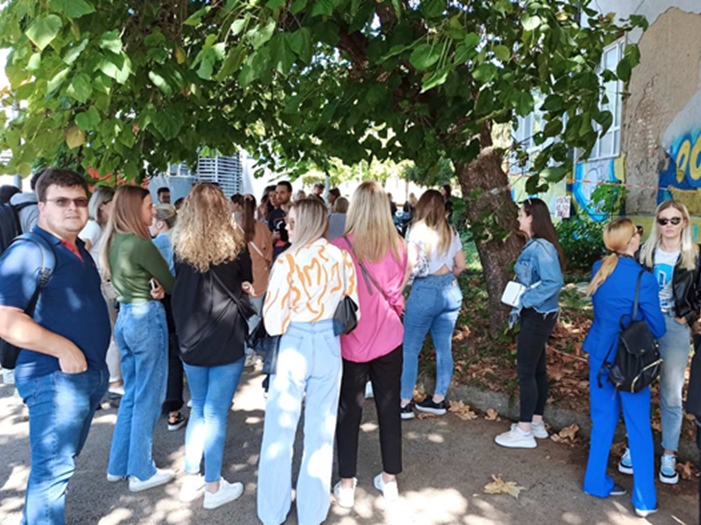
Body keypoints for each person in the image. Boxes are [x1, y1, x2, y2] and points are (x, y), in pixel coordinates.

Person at [0, 168, 111, 524]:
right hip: (53, 378)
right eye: (61, 201)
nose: (73, 209)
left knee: (58, 470)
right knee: (52, 476)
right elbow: (6, 319)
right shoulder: (29, 251)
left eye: (80, 201)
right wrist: (63, 348)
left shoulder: (78, 249)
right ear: (41, 206)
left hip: (85, 376)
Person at [257, 198, 359, 525]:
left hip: (295, 343)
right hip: (329, 343)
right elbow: (352, 305)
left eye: (291, 218)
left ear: (304, 222)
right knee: (321, 429)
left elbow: (273, 322)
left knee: (279, 430)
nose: (286, 222)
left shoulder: (287, 261)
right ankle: (312, 513)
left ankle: (272, 511)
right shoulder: (341, 257)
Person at [171, 183, 253, 509]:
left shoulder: (179, 246)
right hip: (226, 334)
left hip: (190, 337)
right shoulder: (235, 245)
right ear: (222, 208)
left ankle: (191, 478)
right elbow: (247, 284)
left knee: (200, 409)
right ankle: (213, 485)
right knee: (215, 412)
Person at [331, 182, 409, 508]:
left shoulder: (338, 247)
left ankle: (347, 483)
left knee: (348, 412)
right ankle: (389, 480)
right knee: (390, 409)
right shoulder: (400, 246)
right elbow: (400, 290)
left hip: (352, 340)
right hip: (390, 337)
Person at [582, 218, 665, 518]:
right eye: (637, 233)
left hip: (600, 355)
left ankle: (594, 482)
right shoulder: (645, 279)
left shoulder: (598, 269)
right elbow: (657, 327)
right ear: (632, 241)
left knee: (602, 420)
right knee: (638, 427)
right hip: (631, 362)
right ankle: (643, 499)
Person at [102, 185, 176, 492]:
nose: (154, 211)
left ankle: (119, 465)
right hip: (147, 318)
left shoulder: (114, 241)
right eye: (148, 205)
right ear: (135, 210)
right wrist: (162, 288)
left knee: (133, 395)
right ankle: (141, 471)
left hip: (127, 319)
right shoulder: (142, 244)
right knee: (148, 396)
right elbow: (171, 282)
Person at [630, 200, 701, 484]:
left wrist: (690, 314)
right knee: (638, 385)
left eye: (674, 220)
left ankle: (668, 451)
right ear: (656, 223)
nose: (669, 225)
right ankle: (637, 447)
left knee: (671, 393)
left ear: (684, 222)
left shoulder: (694, 256)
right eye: (663, 220)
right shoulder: (645, 253)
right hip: (644, 324)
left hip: (675, 326)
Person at [494, 198, 564, 448]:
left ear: (532, 216)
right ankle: (535, 422)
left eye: (522, 214)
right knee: (536, 369)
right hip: (539, 314)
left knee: (526, 371)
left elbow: (553, 282)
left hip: (537, 314)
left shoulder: (541, 248)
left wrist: (525, 298)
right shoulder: (536, 245)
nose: (518, 218)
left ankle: (524, 431)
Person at [400, 190, 466, 419]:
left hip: (425, 290)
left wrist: (399, 291)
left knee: (410, 348)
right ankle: (438, 400)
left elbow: (410, 266)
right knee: (443, 347)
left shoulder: (416, 230)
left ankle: (404, 401)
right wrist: (450, 277)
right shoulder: (451, 231)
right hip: (450, 290)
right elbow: (461, 265)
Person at [79, 186, 120, 401]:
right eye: (113, 202)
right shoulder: (93, 226)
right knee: (110, 332)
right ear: (103, 205)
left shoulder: (101, 226)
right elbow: (81, 252)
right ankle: (114, 380)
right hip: (98, 286)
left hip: (102, 286)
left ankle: (110, 380)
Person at [149, 204, 185, 431]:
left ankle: (163, 404)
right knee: (175, 355)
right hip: (178, 301)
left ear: (160, 223)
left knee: (163, 354)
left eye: (151, 220)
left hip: (160, 298)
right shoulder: (181, 241)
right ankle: (174, 411)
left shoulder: (155, 245)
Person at [237, 197, 273, 360]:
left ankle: (244, 348)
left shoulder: (234, 230)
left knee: (243, 315)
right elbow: (268, 255)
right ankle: (253, 349)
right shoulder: (263, 228)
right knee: (256, 315)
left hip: (240, 280)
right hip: (260, 277)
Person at [268, 181, 292, 259]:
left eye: (282, 193)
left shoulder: (299, 211)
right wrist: (274, 237)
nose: (278, 196)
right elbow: (268, 240)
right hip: (278, 254)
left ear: (290, 193)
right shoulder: (273, 214)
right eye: (277, 193)